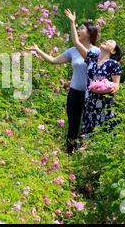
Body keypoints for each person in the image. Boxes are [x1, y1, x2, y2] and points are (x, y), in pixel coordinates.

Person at [28, 19, 100, 154]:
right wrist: (38, 50)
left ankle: (87, 153)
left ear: (90, 33)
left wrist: (72, 22)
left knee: (88, 125)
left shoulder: (96, 52)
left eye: (82, 29)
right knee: (73, 124)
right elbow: (54, 60)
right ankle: (70, 153)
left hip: (90, 94)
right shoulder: (73, 51)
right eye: (78, 28)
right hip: (74, 93)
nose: (79, 31)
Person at [64, 9, 122, 140]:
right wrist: (72, 23)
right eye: (106, 40)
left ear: (113, 51)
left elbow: (116, 85)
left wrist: (109, 89)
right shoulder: (92, 58)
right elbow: (76, 43)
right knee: (88, 131)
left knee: (102, 131)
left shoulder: (114, 64)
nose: (107, 41)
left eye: (110, 42)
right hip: (89, 101)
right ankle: (85, 156)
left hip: (103, 103)